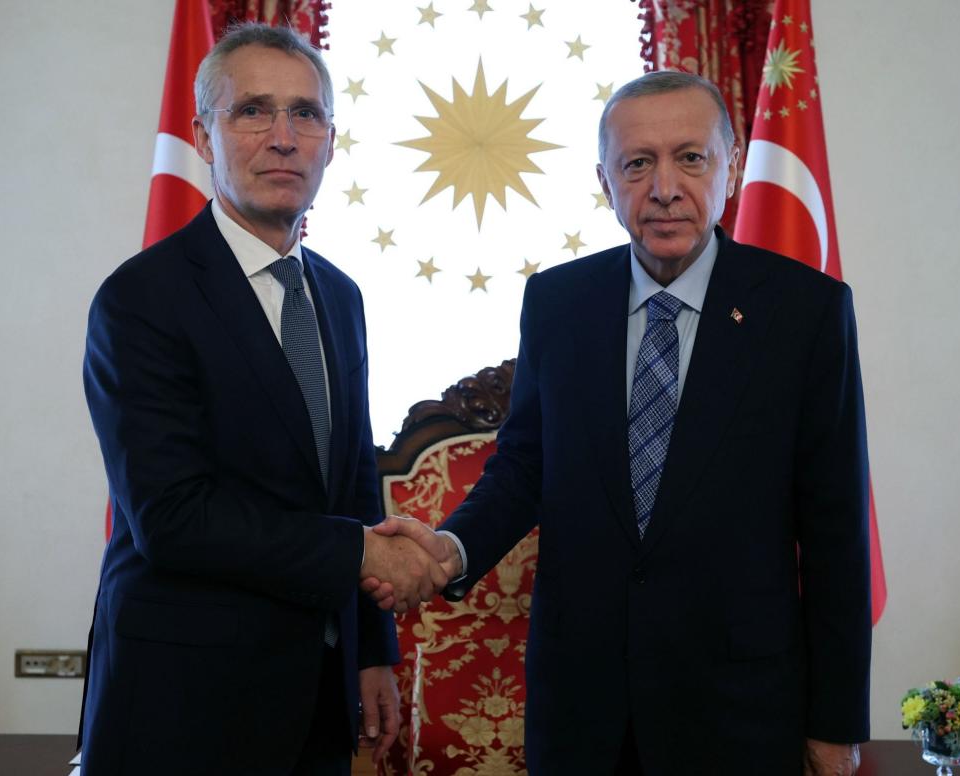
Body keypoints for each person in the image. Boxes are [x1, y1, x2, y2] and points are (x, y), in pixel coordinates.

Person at [365, 71, 871, 775]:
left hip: (738, 711)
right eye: (637, 163)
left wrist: (836, 722)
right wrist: (448, 550)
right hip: (582, 711)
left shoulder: (804, 313)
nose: (663, 187)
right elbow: (523, 469)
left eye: (689, 157)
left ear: (733, 162)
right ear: (604, 179)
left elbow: (835, 530)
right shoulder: (558, 301)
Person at [78, 23, 446, 775]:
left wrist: (372, 651)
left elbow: (346, 482)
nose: (283, 137)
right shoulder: (141, 299)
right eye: (252, 111)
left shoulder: (338, 296)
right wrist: (362, 553)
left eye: (305, 114)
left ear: (330, 143)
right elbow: (173, 518)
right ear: (204, 136)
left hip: (316, 686)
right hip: (184, 694)